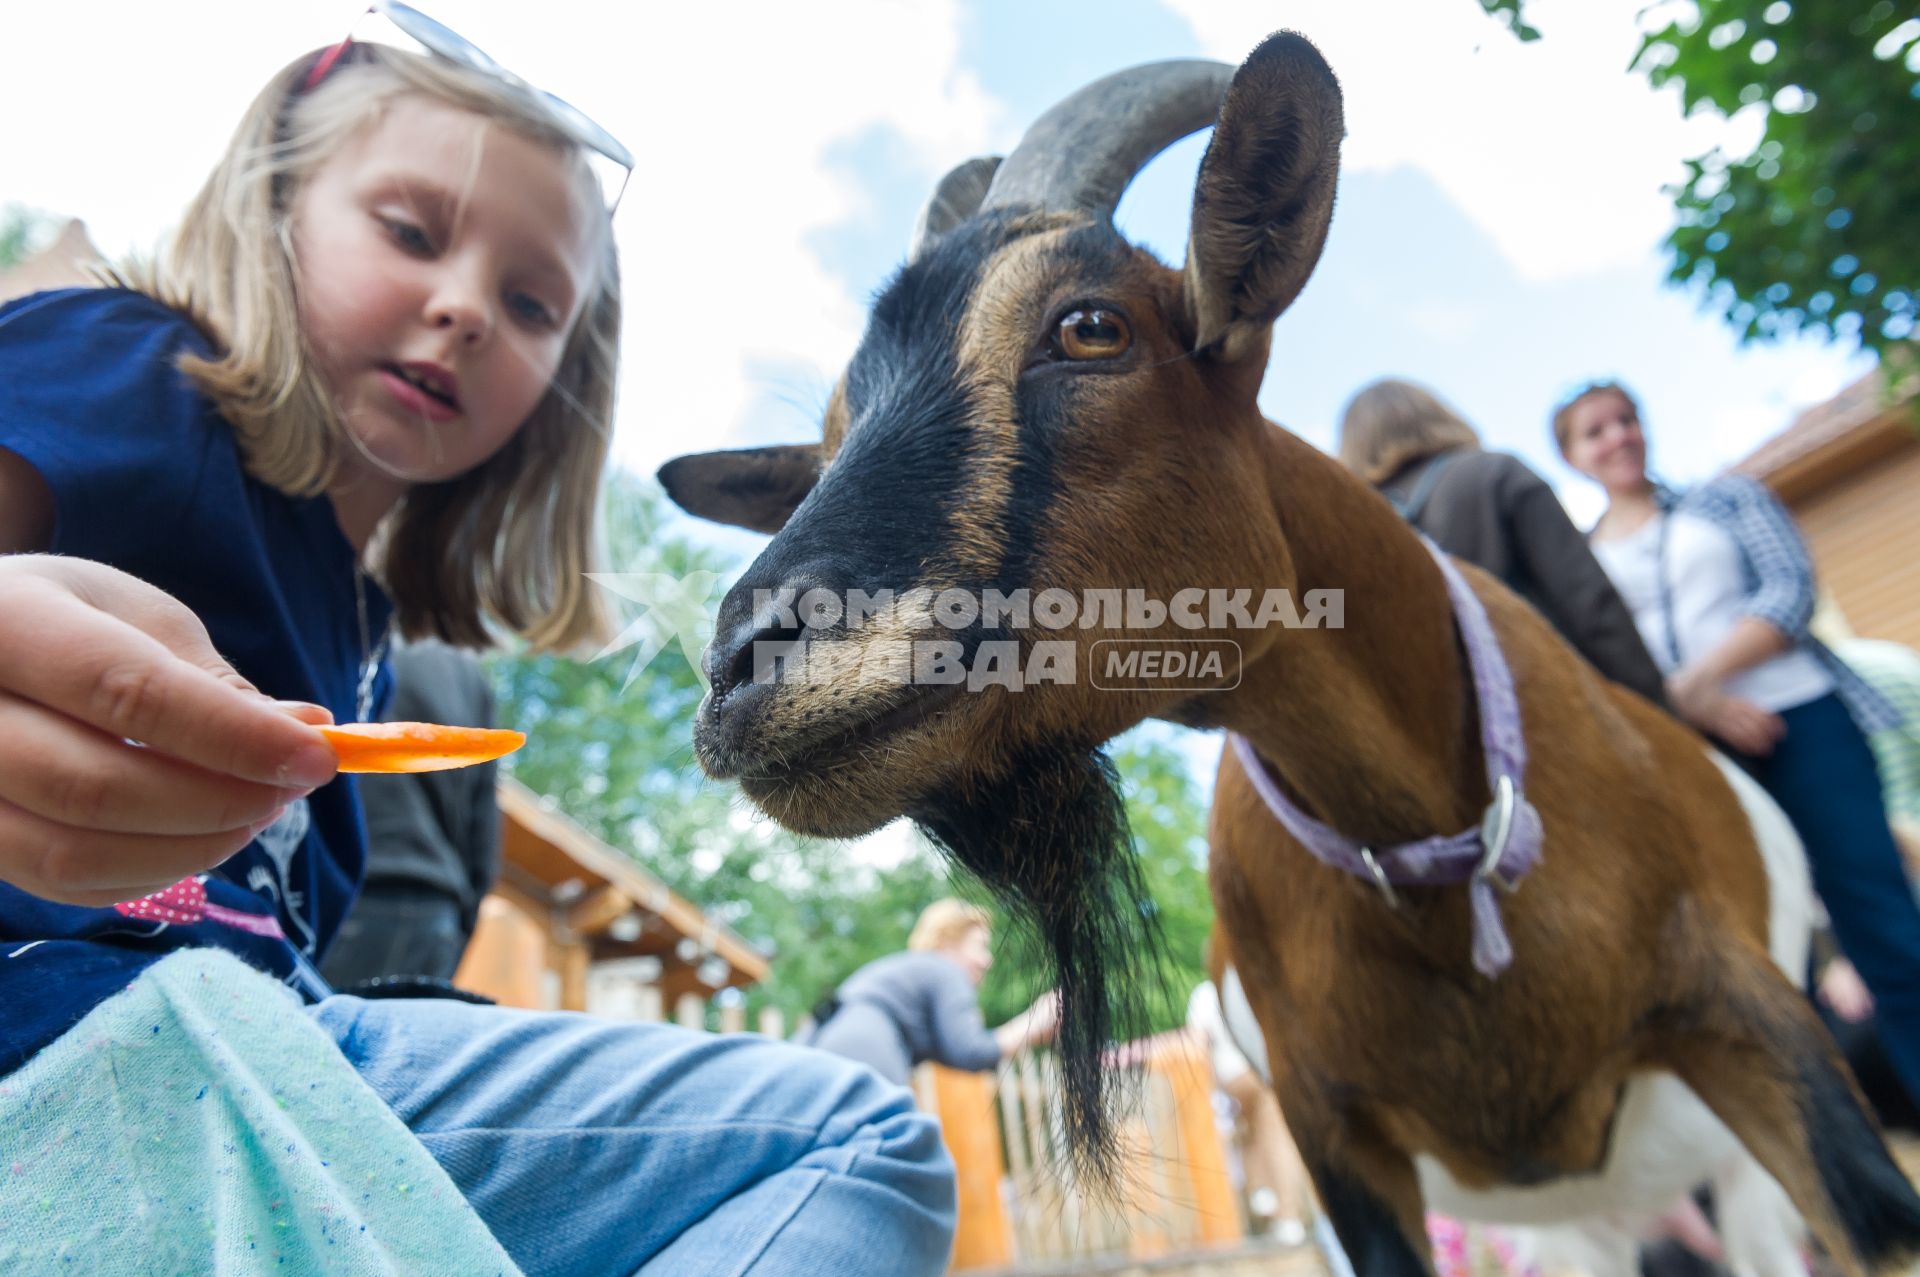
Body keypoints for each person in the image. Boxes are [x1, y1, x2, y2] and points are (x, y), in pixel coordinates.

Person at [0, 13, 953, 1275]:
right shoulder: (132, 367)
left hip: (243, 1082)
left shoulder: (364, 641)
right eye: (409, 232)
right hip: (76, 1030)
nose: (461, 309)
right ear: (276, 207)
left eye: (530, 301)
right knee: (855, 1138)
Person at [1556, 378, 1920, 1106]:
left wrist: (1701, 682)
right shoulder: (1584, 557)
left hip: (1800, 721)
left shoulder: (1724, 502)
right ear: (1572, 456)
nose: (1618, 436)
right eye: (1595, 430)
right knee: (1766, 950)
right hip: (1702, 757)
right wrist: (1699, 711)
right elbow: (1600, 660)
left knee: (1880, 922)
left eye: (1626, 418)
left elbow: (1789, 590)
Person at [1337, 378, 1668, 707]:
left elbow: (1317, 619)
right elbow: (1592, 604)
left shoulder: (1353, 530)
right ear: (1438, 415)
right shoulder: (1496, 473)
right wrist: (1661, 708)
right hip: (1555, 714)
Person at [320, 638, 502, 988]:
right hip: (435, 910)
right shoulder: (466, 672)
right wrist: (462, 920)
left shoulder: (350, 638)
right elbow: (483, 829)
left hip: (351, 889)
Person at [807, 900, 1060, 1086]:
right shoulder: (945, 968)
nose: (988, 960)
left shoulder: (916, 972)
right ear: (948, 943)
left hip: (822, 1040)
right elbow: (970, 1051)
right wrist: (1034, 1020)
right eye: (981, 946)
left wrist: (1030, 1034)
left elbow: (955, 1052)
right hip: (864, 1042)